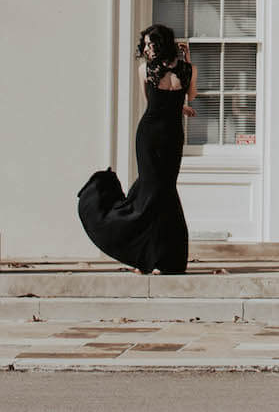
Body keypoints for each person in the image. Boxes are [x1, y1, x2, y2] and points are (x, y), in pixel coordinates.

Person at [76, 23, 195, 274]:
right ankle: (159, 258)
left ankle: (160, 258)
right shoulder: (182, 69)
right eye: (146, 44)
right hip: (158, 136)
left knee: (163, 191)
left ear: (163, 44)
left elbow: (153, 101)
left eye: (152, 44)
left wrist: (176, 102)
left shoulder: (153, 70)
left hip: (163, 135)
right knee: (155, 191)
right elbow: (188, 97)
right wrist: (186, 66)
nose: (147, 48)